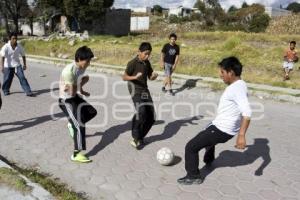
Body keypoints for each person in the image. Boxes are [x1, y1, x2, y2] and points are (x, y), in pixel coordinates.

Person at [178, 56, 252, 185]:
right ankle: (209, 158)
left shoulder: (236, 88)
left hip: (222, 129)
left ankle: (193, 176)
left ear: (231, 72)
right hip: (220, 126)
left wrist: (241, 136)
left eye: (222, 72)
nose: (220, 75)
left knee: (191, 147)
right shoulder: (240, 84)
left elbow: (247, 113)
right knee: (206, 130)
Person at [58, 46, 97, 163]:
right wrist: (75, 87)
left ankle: (72, 124)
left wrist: (82, 89)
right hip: (66, 101)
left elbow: (77, 85)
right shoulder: (69, 71)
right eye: (87, 61)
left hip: (74, 97)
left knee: (92, 112)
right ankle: (76, 153)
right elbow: (71, 92)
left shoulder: (81, 68)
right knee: (80, 124)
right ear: (79, 59)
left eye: (90, 61)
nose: (89, 64)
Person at [123, 42, 158, 149]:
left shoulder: (147, 63)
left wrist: (154, 76)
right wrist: (134, 77)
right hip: (135, 90)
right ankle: (135, 137)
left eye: (149, 54)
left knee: (151, 116)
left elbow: (150, 77)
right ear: (139, 52)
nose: (147, 56)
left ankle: (140, 137)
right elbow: (124, 77)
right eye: (146, 54)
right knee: (141, 111)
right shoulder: (132, 63)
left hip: (144, 90)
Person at [0, 32, 33, 96]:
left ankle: (28, 91)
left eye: (16, 38)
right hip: (8, 66)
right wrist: (2, 67)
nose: (15, 40)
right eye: (13, 38)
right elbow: (2, 57)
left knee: (22, 77)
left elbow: (23, 55)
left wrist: (24, 64)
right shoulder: (6, 47)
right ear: (10, 39)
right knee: (7, 79)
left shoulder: (19, 46)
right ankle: (5, 90)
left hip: (17, 65)